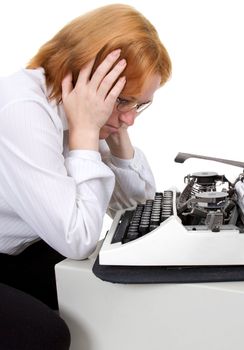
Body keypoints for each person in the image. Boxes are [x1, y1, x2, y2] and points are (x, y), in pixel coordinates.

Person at [0, 3, 171, 349]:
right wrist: (86, 130)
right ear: (84, 76)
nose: (131, 117)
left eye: (138, 105)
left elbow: (137, 206)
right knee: (45, 335)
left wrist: (117, 132)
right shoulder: (23, 111)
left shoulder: (75, 105)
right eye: (123, 100)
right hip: (12, 253)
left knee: (110, 293)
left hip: (18, 250)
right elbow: (77, 240)